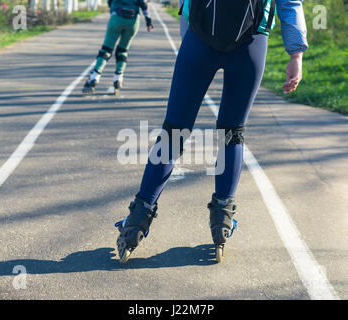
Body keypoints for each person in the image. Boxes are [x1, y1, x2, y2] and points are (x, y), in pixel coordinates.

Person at [115, 0, 309, 263]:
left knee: (173, 133)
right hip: (251, 44)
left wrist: (192, 41)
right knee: (232, 133)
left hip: (199, 41)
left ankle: (137, 220)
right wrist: (296, 54)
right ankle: (222, 220)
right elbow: (289, 3)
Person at [82, 0, 153, 95]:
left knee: (106, 49)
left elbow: (109, 2)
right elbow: (144, 6)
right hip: (133, 21)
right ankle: (118, 77)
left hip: (117, 17)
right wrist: (149, 22)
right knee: (123, 50)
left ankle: (95, 76)